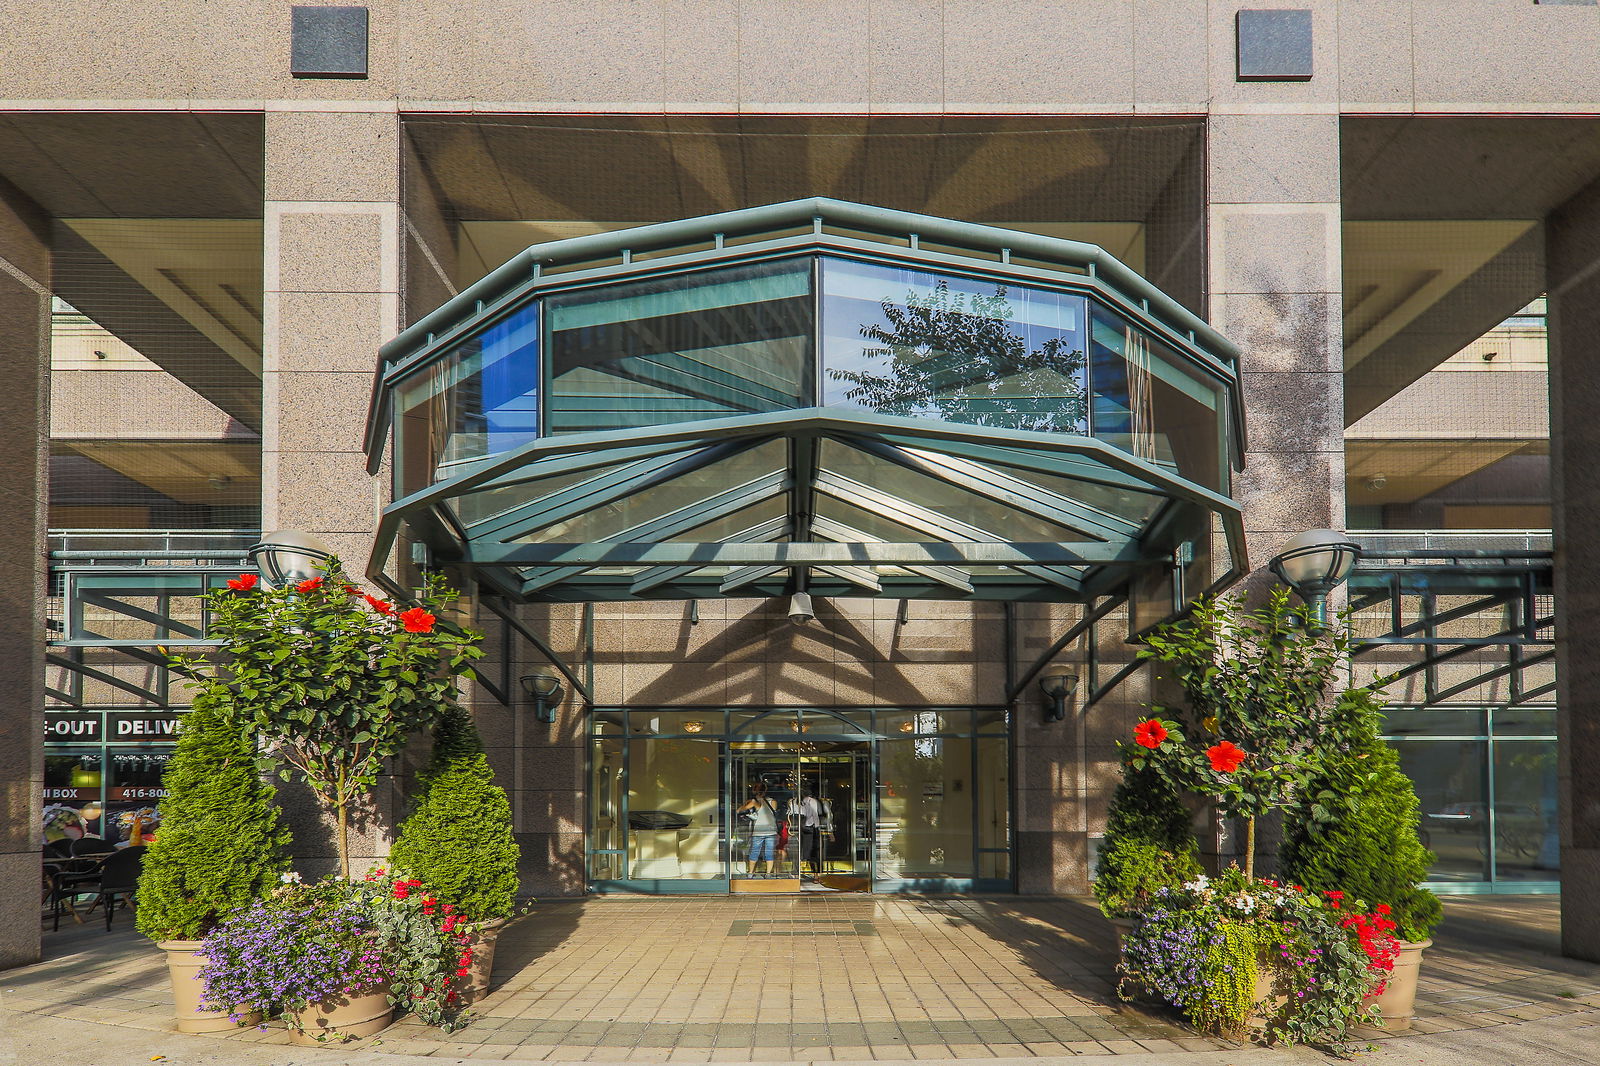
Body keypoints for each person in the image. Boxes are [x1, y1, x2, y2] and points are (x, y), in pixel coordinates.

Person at [737, 782, 781, 878]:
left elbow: (738, 811)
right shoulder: (773, 801)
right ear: (765, 790)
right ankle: (768, 874)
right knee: (769, 853)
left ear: (754, 791)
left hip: (758, 831)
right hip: (771, 830)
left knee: (754, 852)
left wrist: (745, 804)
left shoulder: (753, 802)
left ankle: (750, 873)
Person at [797, 783, 825, 878]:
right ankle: (816, 874)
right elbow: (816, 815)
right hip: (812, 828)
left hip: (805, 827)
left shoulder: (801, 802)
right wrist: (817, 827)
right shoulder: (812, 801)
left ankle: (814, 873)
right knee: (814, 851)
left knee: (807, 851)